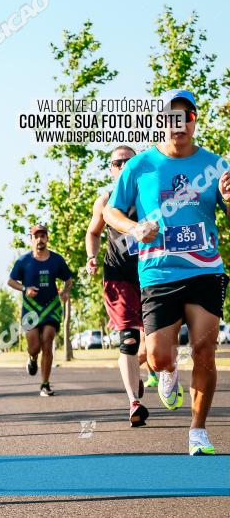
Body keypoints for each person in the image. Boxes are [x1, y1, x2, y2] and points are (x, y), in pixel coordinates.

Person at [104, 89, 230, 455]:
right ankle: (169, 372)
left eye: (186, 117)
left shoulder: (216, 165)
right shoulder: (140, 166)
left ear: (194, 120)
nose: (179, 125)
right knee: (158, 355)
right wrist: (133, 228)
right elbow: (113, 210)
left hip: (205, 267)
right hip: (158, 271)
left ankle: (198, 431)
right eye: (171, 118)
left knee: (205, 350)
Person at [86, 145, 152, 427]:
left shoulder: (150, 196)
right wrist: (91, 256)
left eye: (129, 161)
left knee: (153, 348)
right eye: (117, 162)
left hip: (151, 273)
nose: (123, 165)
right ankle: (133, 402)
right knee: (128, 339)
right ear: (111, 169)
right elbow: (93, 232)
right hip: (119, 276)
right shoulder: (105, 201)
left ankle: (137, 373)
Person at [7, 224, 72, 396]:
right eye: (36, 236)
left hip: (51, 306)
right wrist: (24, 289)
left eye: (43, 236)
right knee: (34, 346)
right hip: (31, 308)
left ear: (47, 238)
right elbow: (11, 281)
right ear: (31, 239)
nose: (40, 239)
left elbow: (68, 279)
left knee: (48, 340)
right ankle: (32, 358)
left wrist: (65, 292)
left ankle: (45, 384)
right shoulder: (23, 261)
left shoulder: (56, 260)